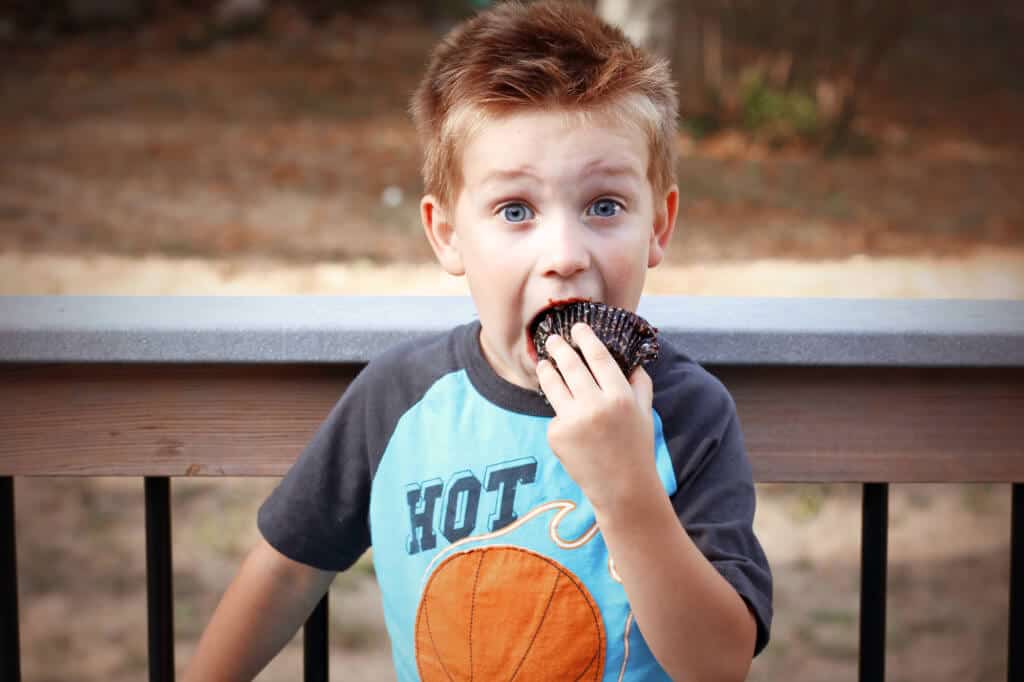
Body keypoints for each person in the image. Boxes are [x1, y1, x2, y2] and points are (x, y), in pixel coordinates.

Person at [184, 1, 772, 679]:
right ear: (447, 235)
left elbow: (720, 665)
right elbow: (286, 575)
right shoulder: (399, 400)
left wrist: (627, 491)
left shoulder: (687, 412)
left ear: (658, 227)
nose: (564, 254)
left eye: (603, 206)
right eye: (515, 210)